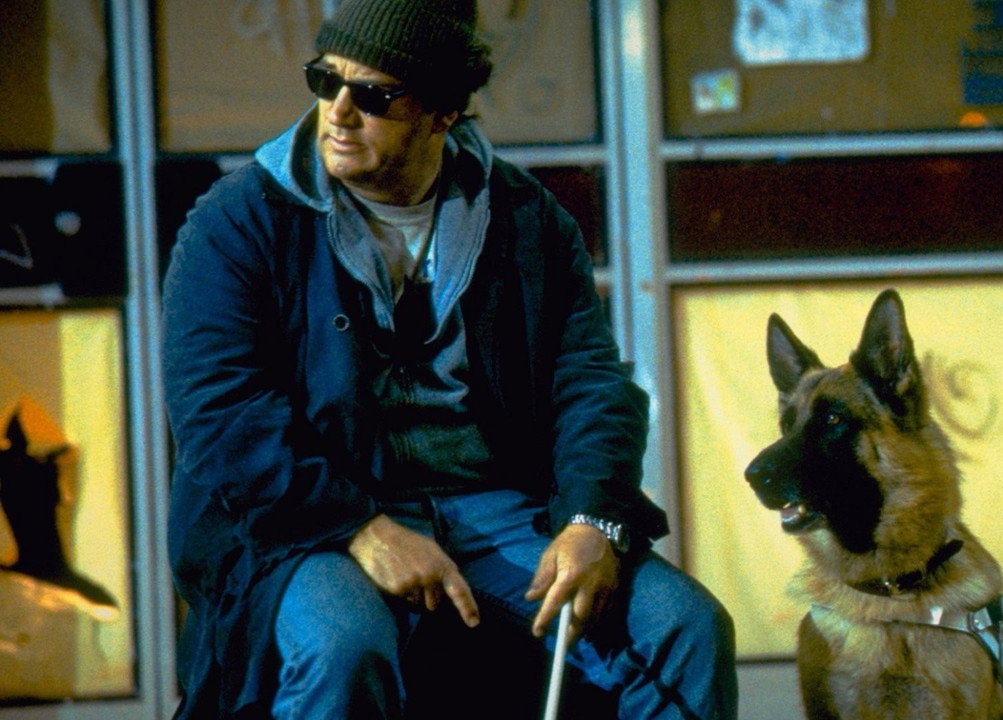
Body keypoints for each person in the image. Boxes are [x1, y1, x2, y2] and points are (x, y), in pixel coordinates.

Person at [160, 0, 737, 717]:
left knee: (685, 627)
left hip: (495, 503)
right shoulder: (239, 220)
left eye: (374, 96)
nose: (337, 112)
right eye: (325, 80)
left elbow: (589, 382)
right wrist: (360, 529)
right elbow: (221, 414)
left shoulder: (524, 216)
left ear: (443, 113)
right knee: (342, 645)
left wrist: (593, 518)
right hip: (312, 513)